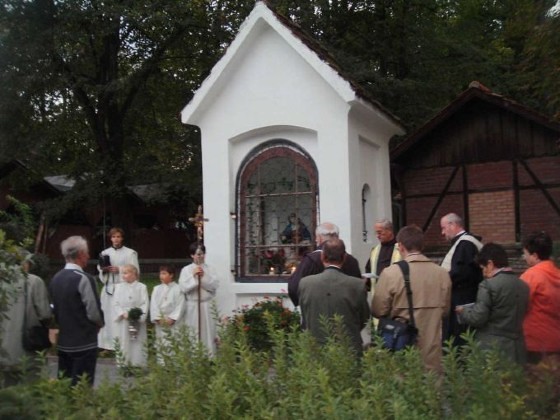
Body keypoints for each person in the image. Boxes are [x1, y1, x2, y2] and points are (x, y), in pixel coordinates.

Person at [372, 225, 451, 372]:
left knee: (402, 380)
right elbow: (445, 310)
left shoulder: (390, 273)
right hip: (432, 350)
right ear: (422, 245)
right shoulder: (442, 274)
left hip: (401, 344)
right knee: (433, 382)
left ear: (400, 246)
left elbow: (378, 310)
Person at [456, 243, 529, 364]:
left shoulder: (488, 285)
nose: (483, 273)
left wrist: (464, 311)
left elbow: (477, 318)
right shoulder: (523, 285)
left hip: (492, 348)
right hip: (517, 348)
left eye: (482, 268)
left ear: (490, 264)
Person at [298, 239, 370, 355]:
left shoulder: (305, 283)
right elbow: (364, 317)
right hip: (348, 346)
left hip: (315, 346)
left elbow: (305, 314)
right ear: (344, 257)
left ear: (322, 256)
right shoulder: (357, 285)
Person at [49, 236, 104, 386]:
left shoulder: (56, 278)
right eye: (87, 253)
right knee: (82, 387)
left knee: (64, 385)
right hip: (84, 341)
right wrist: (99, 324)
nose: (88, 256)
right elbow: (94, 312)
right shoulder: (84, 279)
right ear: (80, 254)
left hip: (64, 341)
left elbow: (54, 308)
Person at [0, 253, 51, 386]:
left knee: (7, 391)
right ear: (25, 263)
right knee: (30, 389)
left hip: (4, 350)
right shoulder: (34, 281)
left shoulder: (2, 283)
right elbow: (45, 314)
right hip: (28, 347)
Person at [288, 222, 362, 307]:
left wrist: (305, 303)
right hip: (345, 309)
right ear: (337, 237)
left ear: (319, 238)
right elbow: (358, 290)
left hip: (317, 309)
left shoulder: (310, 260)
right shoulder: (351, 261)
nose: (316, 240)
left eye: (316, 238)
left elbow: (294, 287)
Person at [440, 213, 483, 346]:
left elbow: (460, 273)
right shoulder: (464, 243)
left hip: (462, 300)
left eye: (443, 228)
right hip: (464, 297)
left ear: (453, 225)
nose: (442, 232)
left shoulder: (465, 244)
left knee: (459, 339)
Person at [520, 231, 560, 364]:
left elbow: (520, 305)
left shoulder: (531, 276)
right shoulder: (557, 273)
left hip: (535, 342)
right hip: (556, 340)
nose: (524, 258)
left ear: (535, 256)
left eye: (525, 254)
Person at [97, 227, 139, 351]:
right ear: (110, 238)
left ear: (122, 238)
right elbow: (100, 271)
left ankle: (122, 343)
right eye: (114, 237)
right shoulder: (105, 253)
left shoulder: (130, 253)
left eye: (118, 237)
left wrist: (120, 270)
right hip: (109, 288)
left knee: (120, 316)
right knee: (108, 316)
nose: (116, 239)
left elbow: (135, 271)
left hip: (123, 287)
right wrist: (104, 270)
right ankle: (107, 345)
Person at [178, 243, 219, 356]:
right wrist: (194, 277)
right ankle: (194, 356)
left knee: (208, 330)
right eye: (198, 254)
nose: (200, 256)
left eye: (202, 254)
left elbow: (214, 286)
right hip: (193, 305)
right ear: (192, 255)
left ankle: (209, 356)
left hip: (206, 304)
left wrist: (203, 276)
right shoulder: (186, 270)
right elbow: (183, 288)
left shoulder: (210, 269)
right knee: (194, 330)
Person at [112, 264, 149, 368]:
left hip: (137, 318)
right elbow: (115, 303)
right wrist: (122, 313)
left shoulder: (142, 287)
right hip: (124, 318)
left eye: (126, 273)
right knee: (124, 340)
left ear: (134, 274)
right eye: (122, 273)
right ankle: (124, 364)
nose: (123, 275)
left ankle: (138, 364)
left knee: (137, 341)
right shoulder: (118, 287)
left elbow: (145, 303)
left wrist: (138, 314)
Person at [150, 265, 184, 362]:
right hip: (161, 320)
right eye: (160, 273)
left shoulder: (178, 289)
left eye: (164, 273)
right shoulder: (156, 289)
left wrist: (172, 318)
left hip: (173, 321)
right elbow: (154, 305)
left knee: (174, 341)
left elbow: (180, 305)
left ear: (171, 275)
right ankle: (162, 363)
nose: (161, 276)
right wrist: (158, 318)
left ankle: (175, 363)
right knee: (162, 341)